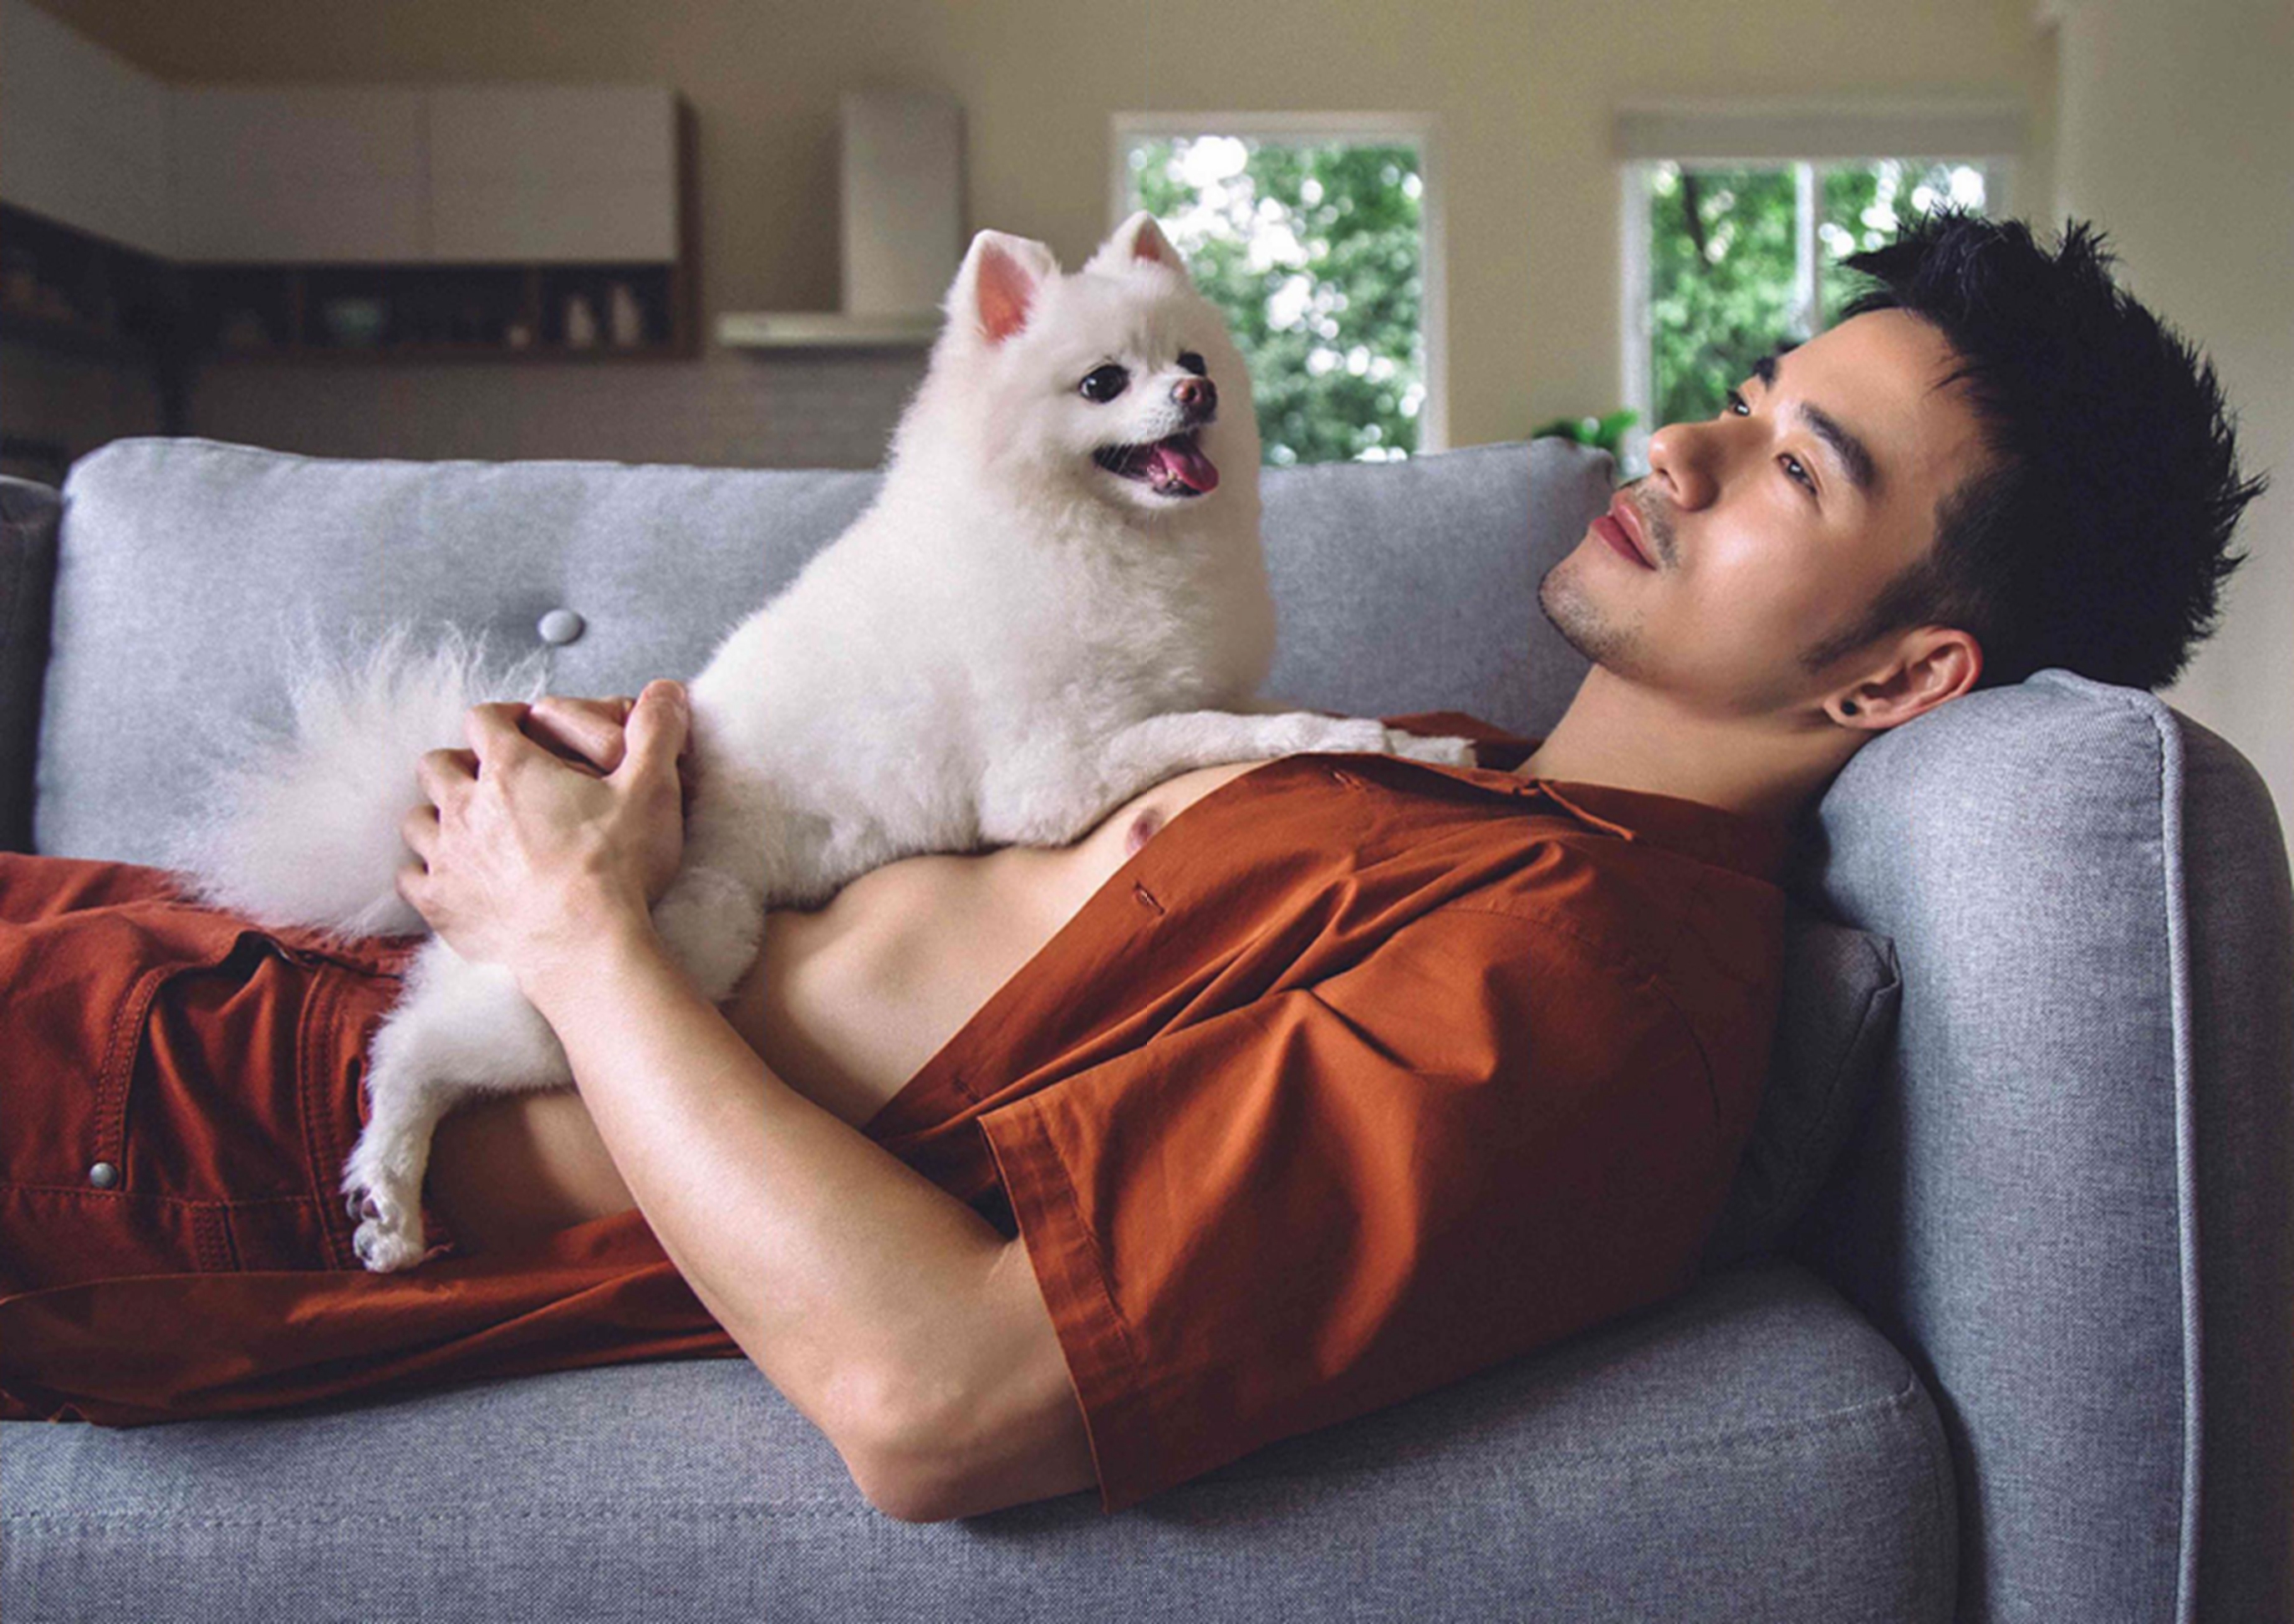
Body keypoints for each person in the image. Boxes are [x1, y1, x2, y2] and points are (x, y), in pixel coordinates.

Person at [0, 208, 2266, 1525]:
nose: (1679, 442)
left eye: (1795, 466)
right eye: (1749, 389)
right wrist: (642, 808)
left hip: (215, 1144)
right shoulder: (1466, 795)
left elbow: (946, 1401)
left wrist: (574, 933)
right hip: (230, 965)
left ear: (1900, 679)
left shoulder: (1593, 986)